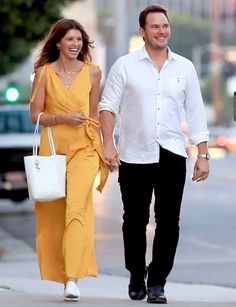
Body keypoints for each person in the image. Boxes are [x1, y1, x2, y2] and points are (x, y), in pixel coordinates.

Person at [99, 5, 210, 304]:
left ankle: (158, 281)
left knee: (169, 221)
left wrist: (203, 154)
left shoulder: (185, 67)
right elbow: (107, 106)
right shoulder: (124, 65)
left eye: (165, 25)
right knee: (133, 220)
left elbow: (196, 112)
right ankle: (137, 273)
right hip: (134, 155)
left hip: (172, 154)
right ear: (143, 31)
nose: (162, 30)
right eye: (155, 26)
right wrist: (108, 144)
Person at [30, 18, 108, 302]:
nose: (75, 45)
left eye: (79, 40)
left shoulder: (93, 73)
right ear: (58, 43)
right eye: (70, 40)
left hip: (84, 149)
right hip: (53, 148)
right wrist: (62, 117)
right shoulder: (44, 73)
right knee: (53, 214)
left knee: (76, 209)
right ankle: (61, 272)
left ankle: (72, 279)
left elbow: (94, 116)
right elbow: (35, 115)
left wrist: (105, 150)